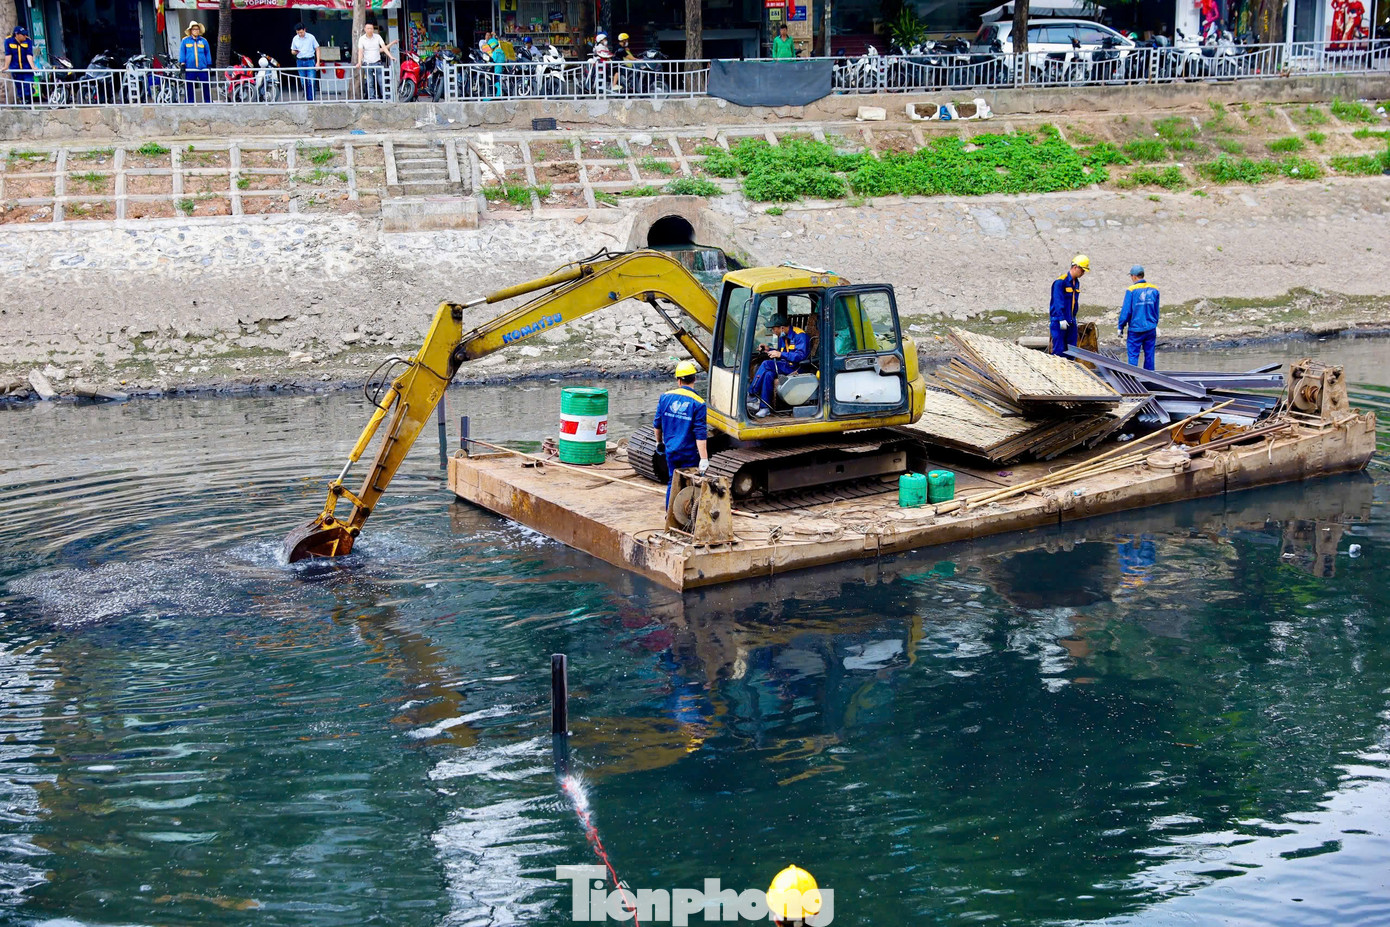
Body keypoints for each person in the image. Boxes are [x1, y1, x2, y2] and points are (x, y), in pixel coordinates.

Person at [653, 360, 709, 505]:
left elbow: (657, 424)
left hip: (671, 450)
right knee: (690, 484)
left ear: (679, 381)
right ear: (694, 379)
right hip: (689, 453)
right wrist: (704, 458)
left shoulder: (665, 397)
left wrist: (659, 443)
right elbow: (700, 433)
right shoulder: (698, 403)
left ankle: (669, 516)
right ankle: (688, 518)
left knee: (673, 481)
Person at [747, 313, 809, 418]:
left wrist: (780, 354)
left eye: (774, 329)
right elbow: (781, 352)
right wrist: (768, 350)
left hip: (797, 367)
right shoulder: (782, 336)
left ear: (782, 328)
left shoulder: (800, 335)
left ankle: (752, 393)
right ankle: (764, 408)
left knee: (766, 364)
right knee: (768, 374)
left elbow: (801, 356)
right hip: (786, 365)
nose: (773, 332)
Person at [1117, 264, 1160, 370]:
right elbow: (1156, 309)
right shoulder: (1154, 289)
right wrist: (1154, 323)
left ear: (1134, 276)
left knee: (1133, 356)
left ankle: (1132, 378)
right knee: (1149, 355)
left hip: (1136, 330)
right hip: (1150, 328)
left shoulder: (1131, 290)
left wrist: (1120, 326)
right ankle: (1150, 378)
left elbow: (1126, 311)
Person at [1048, 254, 1088, 357]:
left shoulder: (1077, 283)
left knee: (1071, 350)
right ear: (1075, 267)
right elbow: (1058, 302)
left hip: (1071, 320)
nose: (1083, 273)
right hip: (1059, 321)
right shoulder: (1060, 282)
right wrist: (1061, 318)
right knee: (1059, 350)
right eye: (1082, 270)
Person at [357, 22, 394, 100]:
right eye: (368, 28)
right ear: (365, 29)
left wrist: (391, 56)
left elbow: (384, 48)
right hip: (367, 63)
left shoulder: (378, 37)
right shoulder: (362, 39)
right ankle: (372, 98)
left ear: (373, 29)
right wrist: (359, 62)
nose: (370, 30)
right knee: (370, 82)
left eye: (371, 28)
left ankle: (384, 97)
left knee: (381, 81)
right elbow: (360, 51)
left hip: (377, 62)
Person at [179, 22, 213, 103]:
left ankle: (208, 101)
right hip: (190, 68)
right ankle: (189, 102)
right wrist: (182, 63)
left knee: (206, 85)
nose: (196, 31)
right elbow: (182, 52)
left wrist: (209, 64)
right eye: (194, 29)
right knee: (189, 86)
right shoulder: (185, 41)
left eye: (197, 29)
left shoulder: (204, 41)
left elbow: (207, 53)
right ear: (191, 30)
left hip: (202, 68)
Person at [4, 26, 35, 104]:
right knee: (19, 87)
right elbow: (8, 54)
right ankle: (23, 102)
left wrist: (33, 66)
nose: (25, 36)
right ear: (17, 34)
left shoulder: (28, 41)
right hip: (16, 68)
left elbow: (29, 54)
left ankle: (28, 102)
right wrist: (6, 66)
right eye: (23, 35)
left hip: (26, 68)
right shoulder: (8, 41)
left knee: (28, 84)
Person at [291, 22, 321, 101]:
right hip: (300, 61)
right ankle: (308, 99)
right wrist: (295, 52)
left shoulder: (311, 37)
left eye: (301, 32)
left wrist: (318, 62)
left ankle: (311, 100)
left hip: (310, 60)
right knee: (303, 82)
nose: (300, 34)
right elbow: (292, 51)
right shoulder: (295, 38)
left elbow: (317, 48)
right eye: (298, 33)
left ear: (304, 30)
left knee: (311, 81)